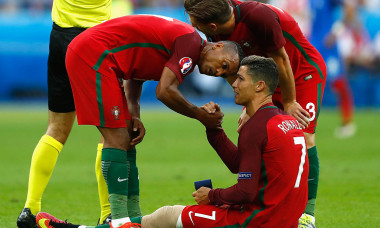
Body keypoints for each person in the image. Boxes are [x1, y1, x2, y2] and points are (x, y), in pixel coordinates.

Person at [35, 55, 309, 228]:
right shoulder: (280, 120)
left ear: (260, 86)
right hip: (284, 218)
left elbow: (246, 191)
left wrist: (211, 196)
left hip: (258, 220)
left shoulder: (256, 126)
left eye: (239, 78)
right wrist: (214, 130)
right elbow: (242, 165)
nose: (233, 84)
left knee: (166, 216)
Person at [64, 14, 243, 228]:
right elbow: (164, 91)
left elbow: (137, 68)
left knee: (127, 138)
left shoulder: (186, 44)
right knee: (117, 138)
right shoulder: (190, 45)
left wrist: (134, 112)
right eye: (223, 64)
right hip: (95, 55)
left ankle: (133, 217)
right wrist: (199, 114)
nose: (218, 72)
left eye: (224, 73)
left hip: (103, 57)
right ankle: (120, 220)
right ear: (218, 46)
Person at [184, 1, 327, 226]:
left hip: (300, 73)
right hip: (263, 82)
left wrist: (290, 102)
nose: (194, 28)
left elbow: (281, 59)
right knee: (254, 135)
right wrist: (246, 106)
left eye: (195, 24)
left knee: (304, 136)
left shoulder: (258, 16)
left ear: (210, 26)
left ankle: (306, 216)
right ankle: (263, 201)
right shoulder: (218, 27)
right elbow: (230, 69)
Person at [17, 1, 117, 227]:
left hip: (61, 37)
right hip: (96, 39)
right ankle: (107, 213)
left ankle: (30, 209)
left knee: (56, 129)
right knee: (112, 134)